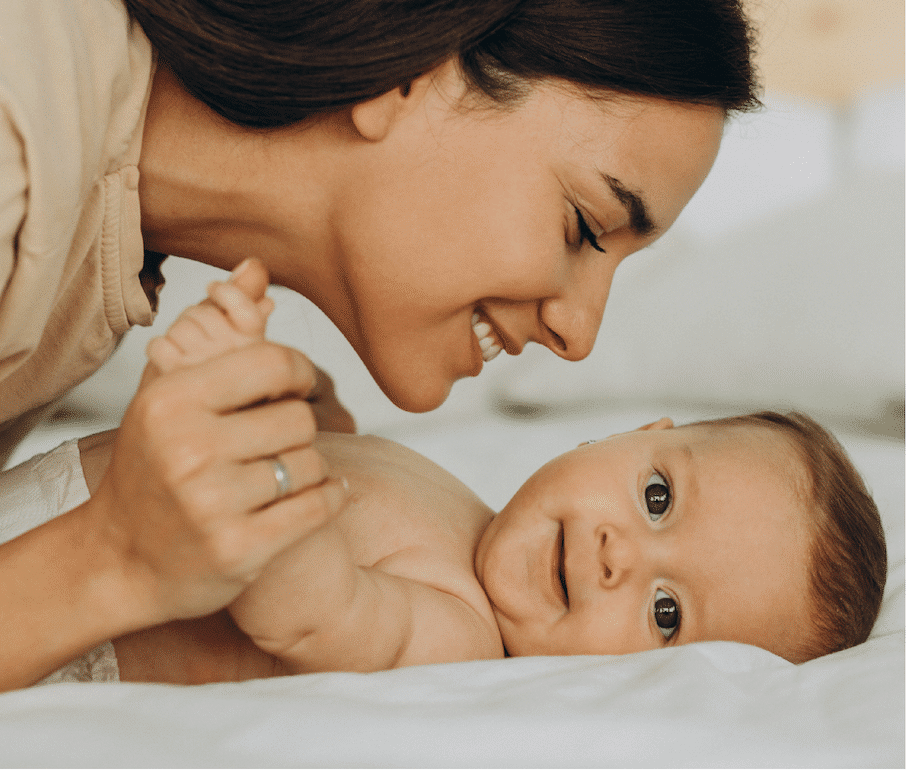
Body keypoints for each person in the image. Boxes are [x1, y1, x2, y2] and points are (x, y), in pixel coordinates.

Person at [1, 0, 758, 688]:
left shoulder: (96, 254)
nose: (580, 335)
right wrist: (110, 558)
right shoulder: (22, 113)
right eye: (583, 226)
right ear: (410, 66)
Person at [5, 262, 885, 686]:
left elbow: (308, 611)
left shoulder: (459, 634)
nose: (621, 555)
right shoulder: (458, 510)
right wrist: (313, 420)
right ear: (628, 435)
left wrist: (248, 436)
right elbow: (363, 498)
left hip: (56, 631)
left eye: (666, 613)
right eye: (657, 497)